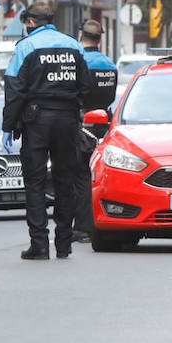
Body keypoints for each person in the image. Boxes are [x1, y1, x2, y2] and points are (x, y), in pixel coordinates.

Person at [2, 4, 88, 260]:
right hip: (67, 120)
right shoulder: (74, 46)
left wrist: (9, 126)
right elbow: (87, 85)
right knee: (65, 181)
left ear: (30, 23)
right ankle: (64, 244)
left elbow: (14, 90)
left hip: (36, 121)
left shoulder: (25, 47)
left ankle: (39, 245)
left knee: (35, 183)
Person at [73, 19, 118, 242]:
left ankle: (82, 227)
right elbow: (110, 98)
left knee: (81, 176)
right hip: (104, 126)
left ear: (82, 36)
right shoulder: (109, 65)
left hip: (82, 125)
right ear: (100, 39)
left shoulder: (79, 62)